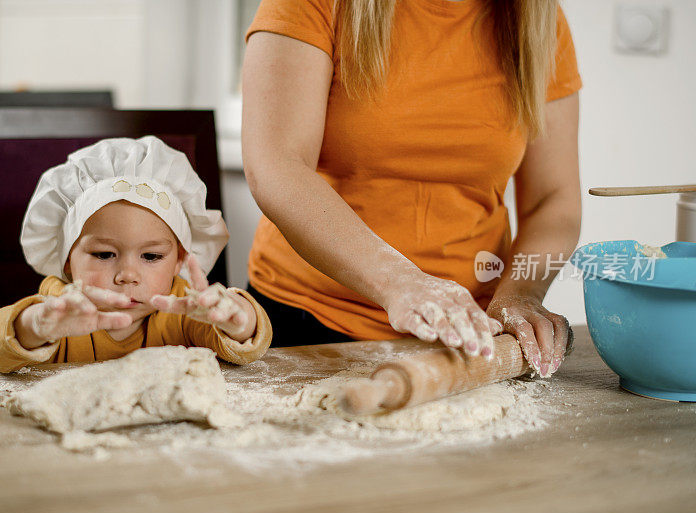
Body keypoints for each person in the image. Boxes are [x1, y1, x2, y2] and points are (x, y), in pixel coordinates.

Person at [242, 0, 581, 377]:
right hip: (304, 323)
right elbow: (276, 164)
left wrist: (521, 294)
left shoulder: (538, 20)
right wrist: (398, 281)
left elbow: (554, 201)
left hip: (467, 336)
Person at [0, 136, 272, 373]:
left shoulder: (183, 310)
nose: (128, 275)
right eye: (104, 254)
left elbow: (249, 347)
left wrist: (240, 319)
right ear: (67, 258)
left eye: (152, 256)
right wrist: (34, 326)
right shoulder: (61, 311)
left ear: (179, 260)